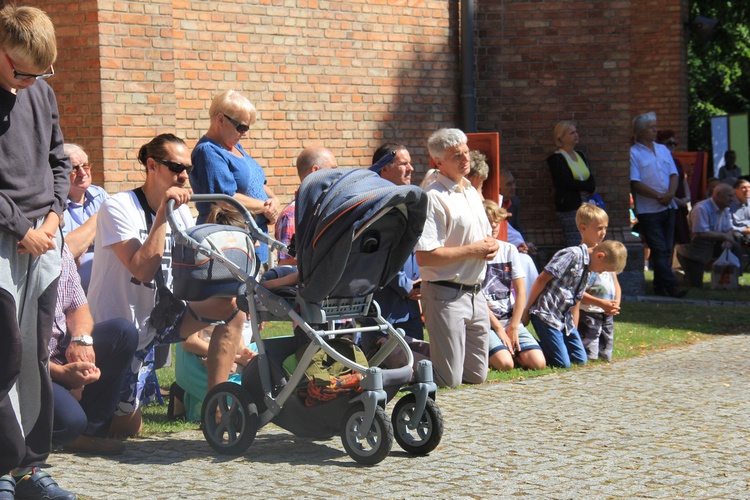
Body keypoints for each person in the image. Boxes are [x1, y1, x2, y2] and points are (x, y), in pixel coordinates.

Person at [88, 134, 246, 437]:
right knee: (126, 430)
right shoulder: (117, 207)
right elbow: (142, 269)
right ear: (152, 165)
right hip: (123, 330)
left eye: (187, 168)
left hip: (162, 319)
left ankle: (214, 407)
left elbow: (191, 273)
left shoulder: (183, 211)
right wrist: (162, 213)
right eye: (176, 167)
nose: (184, 176)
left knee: (232, 309)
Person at [0, 4, 78, 499]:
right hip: (6, 241)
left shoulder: (42, 92)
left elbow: (59, 161)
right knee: (3, 354)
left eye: (40, 73)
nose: (30, 82)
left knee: (33, 354)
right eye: (22, 71)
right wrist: (18, 227)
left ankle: (29, 469)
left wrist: (51, 217)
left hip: (43, 241)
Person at [415, 128, 499, 388]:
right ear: (438, 162)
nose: (466, 160)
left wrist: (492, 245)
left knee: (476, 375)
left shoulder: (471, 192)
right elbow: (425, 256)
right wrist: (473, 251)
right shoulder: (433, 197)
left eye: (466, 152)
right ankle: (396, 354)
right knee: (448, 379)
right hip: (445, 294)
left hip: (476, 292)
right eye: (457, 155)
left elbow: (484, 236)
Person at [172, 204, 258, 422]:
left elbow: (233, 333)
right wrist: (238, 357)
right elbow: (188, 342)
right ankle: (202, 404)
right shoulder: (201, 285)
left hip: (225, 355)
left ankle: (186, 397)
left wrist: (243, 353)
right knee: (247, 394)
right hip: (199, 357)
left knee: (266, 369)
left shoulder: (236, 284)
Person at [50, 245, 137, 455]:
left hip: (60, 353)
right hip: (29, 367)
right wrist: (61, 373)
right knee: (69, 424)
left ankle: (90, 434)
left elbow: (79, 308)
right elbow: (15, 351)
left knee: (122, 333)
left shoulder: (61, 250)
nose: (61, 214)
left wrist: (81, 340)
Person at [190, 90, 280, 269]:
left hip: (255, 244)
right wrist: (265, 207)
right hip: (232, 246)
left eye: (247, 127)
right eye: (241, 127)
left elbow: (258, 183)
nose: (245, 133)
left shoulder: (235, 147)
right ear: (221, 119)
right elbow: (226, 199)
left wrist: (274, 201)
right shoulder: (208, 151)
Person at [523, 238, 627, 369]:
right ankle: (526, 348)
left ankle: (550, 349)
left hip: (564, 320)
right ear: (600, 256)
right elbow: (542, 279)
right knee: (562, 363)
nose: (601, 272)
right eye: (604, 269)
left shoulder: (589, 267)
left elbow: (577, 297)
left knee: (580, 359)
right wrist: (527, 309)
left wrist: (575, 326)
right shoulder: (571, 255)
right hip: (546, 314)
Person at [482, 200, 546, 372]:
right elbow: (476, 297)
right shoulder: (475, 252)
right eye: (489, 220)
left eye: (497, 220)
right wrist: (498, 329)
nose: (494, 225)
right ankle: (500, 352)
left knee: (538, 363)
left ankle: (512, 350)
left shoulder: (509, 249)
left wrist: (514, 326)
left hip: (509, 319)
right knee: (506, 365)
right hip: (487, 322)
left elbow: (521, 291)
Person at [629, 112, 687, 298]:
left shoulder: (662, 150)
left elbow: (674, 174)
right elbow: (636, 183)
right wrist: (658, 195)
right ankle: (670, 286)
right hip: (648, 210)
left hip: (668, 207)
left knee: (667, 248)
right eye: (650, 127)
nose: (655, 130)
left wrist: (670, 194)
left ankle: (660, 287)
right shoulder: (633, 153)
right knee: (659, 248)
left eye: (655, 126)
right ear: (640, 131)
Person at [275, 145, 338, 265]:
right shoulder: (292, 216)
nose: (338, 175)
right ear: (315, 171)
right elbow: (287, 265)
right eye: (333, 169)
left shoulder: (323, 209)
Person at [576, 204, 621, 363]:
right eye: (599, 228)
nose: (603, 233)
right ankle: (590, 368)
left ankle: (604, 367)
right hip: (588, 311)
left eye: (605, 228)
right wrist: (600, 302)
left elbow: (615, 281)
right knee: (590, 344)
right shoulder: (580, 256)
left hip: (606, 310)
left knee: (606, 345)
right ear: (583, 227)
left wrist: (616, 303)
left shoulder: (607, 253)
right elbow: (577, 291)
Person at [61, 143, 109, 292]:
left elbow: (117, 235)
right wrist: (98, 223)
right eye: (74, 168)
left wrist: (83, 242)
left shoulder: (99, 195)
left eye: (85, 166)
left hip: (104, 289)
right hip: (69, 292)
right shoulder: (54, 204)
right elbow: (66, 251)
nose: (83, 173)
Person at [675, 183, 740, 288]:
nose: (733, 199)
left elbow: (729, 228)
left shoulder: (726, 209)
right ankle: (676, 276)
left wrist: (727, 239)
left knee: (735, 246)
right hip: (692, 253)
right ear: (718, 195)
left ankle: (734, 278)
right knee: (695, 286)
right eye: (730, 195)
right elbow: (701, 233)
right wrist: (724, 237)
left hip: (711, 247)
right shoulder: (701, 208)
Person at [547, 121, 596, 247]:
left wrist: (587, 188)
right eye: (572, 133)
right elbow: (564, 182)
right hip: (570, 205)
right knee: (575, 241)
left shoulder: (580, 155)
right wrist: (583, 187)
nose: (576, 135)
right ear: (561, 137)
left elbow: (590, 179)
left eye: (576, 132)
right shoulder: (556, 159)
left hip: (588, 203)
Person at [655, 130, 691, 248]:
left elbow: (683, 180)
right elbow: (659, 184)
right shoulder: (657, 162)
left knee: (675, 241)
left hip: (680, 205)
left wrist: (687, 198)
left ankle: (669, 266)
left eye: (674, 144)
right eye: (669, 143)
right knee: (665, 242)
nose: (672, 146)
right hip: (668, 204)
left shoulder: (676, 162)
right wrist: (675, 199)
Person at [731, 178, 750, 244]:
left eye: (749, 187)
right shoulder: (729, 204)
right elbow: (728, 227)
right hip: (737, 234)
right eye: (744, 188)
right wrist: (745, 230)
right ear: (735, 191)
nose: (747, 190)